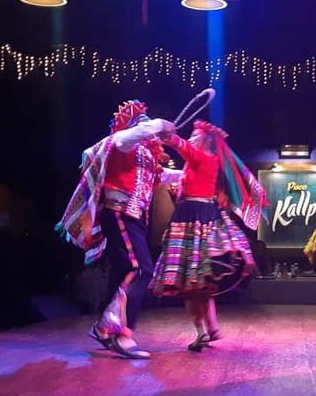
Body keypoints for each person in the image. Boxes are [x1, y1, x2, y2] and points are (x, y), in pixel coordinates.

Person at [58, 100, 180, 360]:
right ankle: (118, 331)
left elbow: (166, 176)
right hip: (119, 213)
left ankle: (108, 331)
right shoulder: (122, 143)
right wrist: (159, 125)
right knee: (140, 269)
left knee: (123, 271)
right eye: (144, 122)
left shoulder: (145, 156)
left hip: (132, 218)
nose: (148, 125)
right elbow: (130, 135)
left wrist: (193, 174)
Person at [151, 120, 265, 351]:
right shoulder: (194, 164)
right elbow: (178, 177)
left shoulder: (204, 158)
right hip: (192, 217)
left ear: (207, 142)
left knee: (190, 282)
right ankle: (211, 328)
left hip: (194, 220)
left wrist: (165, 134)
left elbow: (182, 146)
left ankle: (203, 331)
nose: (191, 138)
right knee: (197, 282)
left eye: (195, 135)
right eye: (191, 135)